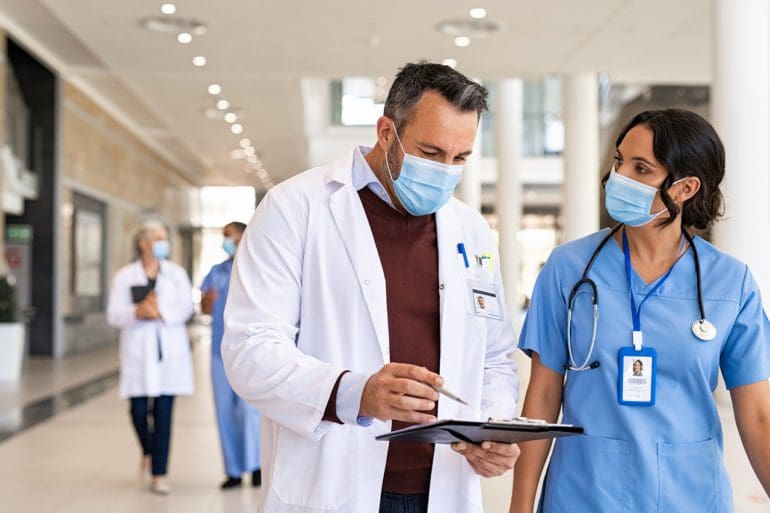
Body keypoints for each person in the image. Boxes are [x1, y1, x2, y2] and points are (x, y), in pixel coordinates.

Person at [222, 62, 520, 513]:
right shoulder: (295, 208)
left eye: (460, 158)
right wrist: (355, 392)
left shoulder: (470, 229)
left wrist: (492, 428)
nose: (446, 170)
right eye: (431, 152)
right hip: (334, 480)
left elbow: (494, 355)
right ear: (387, 132)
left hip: (443, 485)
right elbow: (250, 350)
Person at [509, 109, 770, 513]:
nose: (619, 176)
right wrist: (520, 507)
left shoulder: (730, 283)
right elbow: (543, 395)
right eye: (619, 161)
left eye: (641, 168)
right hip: (583, 493)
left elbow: (756, 414)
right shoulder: (568, 268)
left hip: (691, 497)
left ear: (685, 188)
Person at [107, 221, 194, 495]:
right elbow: (113, 314)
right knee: (137, 411)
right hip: (138, 351)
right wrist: (137, 311)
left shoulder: (176, 274)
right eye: (157, 238)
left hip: (169, 353)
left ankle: (159, 474)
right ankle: (147, 449)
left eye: (164, 238)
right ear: (143, 243)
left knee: (164, 415)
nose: (162, 243)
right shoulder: (124, 276)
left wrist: (159, 312)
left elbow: (186, 308)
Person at [200, 221, 261, 489]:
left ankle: (257, 465)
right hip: (219, 352)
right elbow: (204, 306)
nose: (226, 240)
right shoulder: (216, 271)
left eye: (229, 236)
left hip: (250, 350)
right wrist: (207, 301)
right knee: (225, 411)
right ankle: (234, 470)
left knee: (252, 411)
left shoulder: (257, 268)